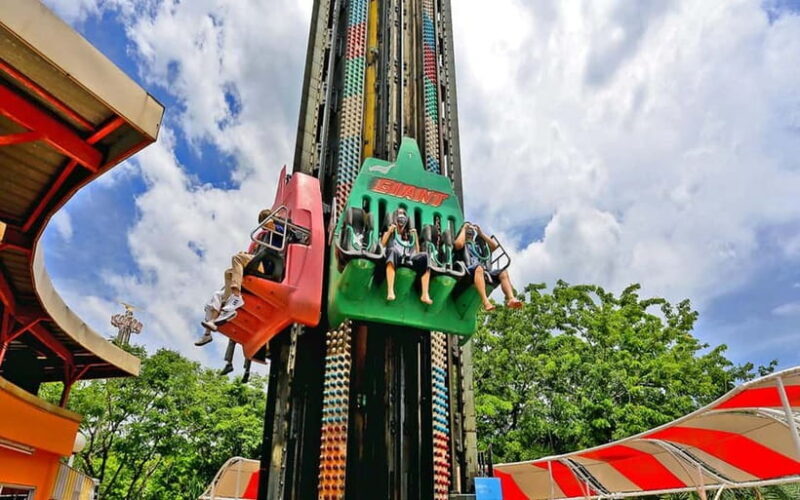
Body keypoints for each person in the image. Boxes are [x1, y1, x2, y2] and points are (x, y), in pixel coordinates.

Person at [454, 222, 522, 311]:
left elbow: (494, 246)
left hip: (482, 268)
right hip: (468, 268)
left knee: (503, 272)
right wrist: (464, 229)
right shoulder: (463, 244)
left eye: (471, 233)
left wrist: (481, 233)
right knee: (479, 268)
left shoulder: (477, 246)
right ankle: (486, 302)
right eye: (468, 233)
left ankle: (511, 298)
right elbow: (458, 245)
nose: (470, 235)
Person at [381, 207, 433, 304]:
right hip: (395, 257)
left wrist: (415, 236)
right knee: (392, 251)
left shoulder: (408, 235)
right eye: (399, 214)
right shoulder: (390, 232)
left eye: (403, 215)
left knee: (425, 257)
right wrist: (389, 231)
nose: (401, 217)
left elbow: (417, 251)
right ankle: (390, 290)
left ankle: (425, 294)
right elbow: (382, 244)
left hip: (408, 258)